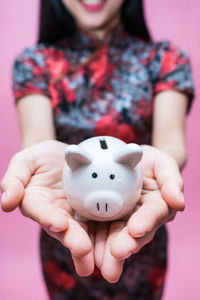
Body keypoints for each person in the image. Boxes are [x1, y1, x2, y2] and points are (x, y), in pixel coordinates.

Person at [1, 0, 194, 299]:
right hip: (66, 227)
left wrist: (161, 162)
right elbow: (38, 142)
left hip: (140, 228)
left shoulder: (166, 58)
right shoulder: (34, 62)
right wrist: (42, 159)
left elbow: (170, 143)